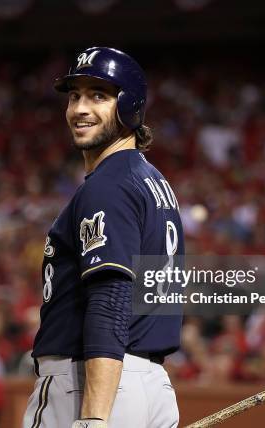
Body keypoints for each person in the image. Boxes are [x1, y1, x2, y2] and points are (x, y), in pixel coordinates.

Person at [23, 47, 184, 428]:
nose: (79, 108)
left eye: (98, 95)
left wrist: (94, 417)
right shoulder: (153, 182)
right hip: (150, 386)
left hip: (90, 387)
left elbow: (110, 299)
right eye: (74, 95)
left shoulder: (109, 186)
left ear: (129, 105)